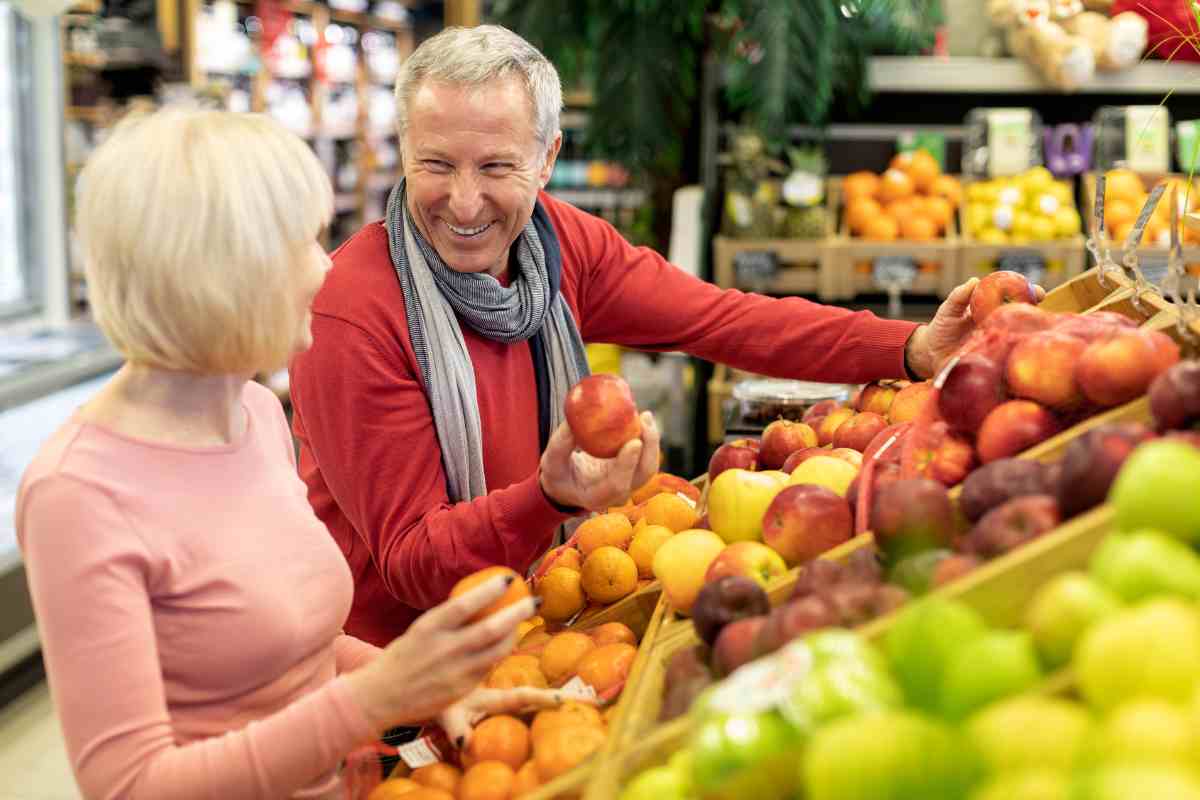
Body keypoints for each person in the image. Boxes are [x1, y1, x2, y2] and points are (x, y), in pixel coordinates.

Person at [288, 24, 988, 648]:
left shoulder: (558, 246)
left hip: (546, 621)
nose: (464, 201)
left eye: (496, 167)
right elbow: (412, 561)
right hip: (397, 678)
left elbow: (722, 318)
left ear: (547, 155)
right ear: (402, 151)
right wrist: (550, 496)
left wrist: (910, 346)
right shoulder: (352, 310)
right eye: (435, 165)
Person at [16, 108, 575, 800]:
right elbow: (129, 786)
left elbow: (291, 654)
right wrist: (371, 700)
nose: (324, 269)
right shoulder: (78, 494)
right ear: (213, 274)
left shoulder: (252, 413)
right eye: (300, 243)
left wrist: (418, 687)